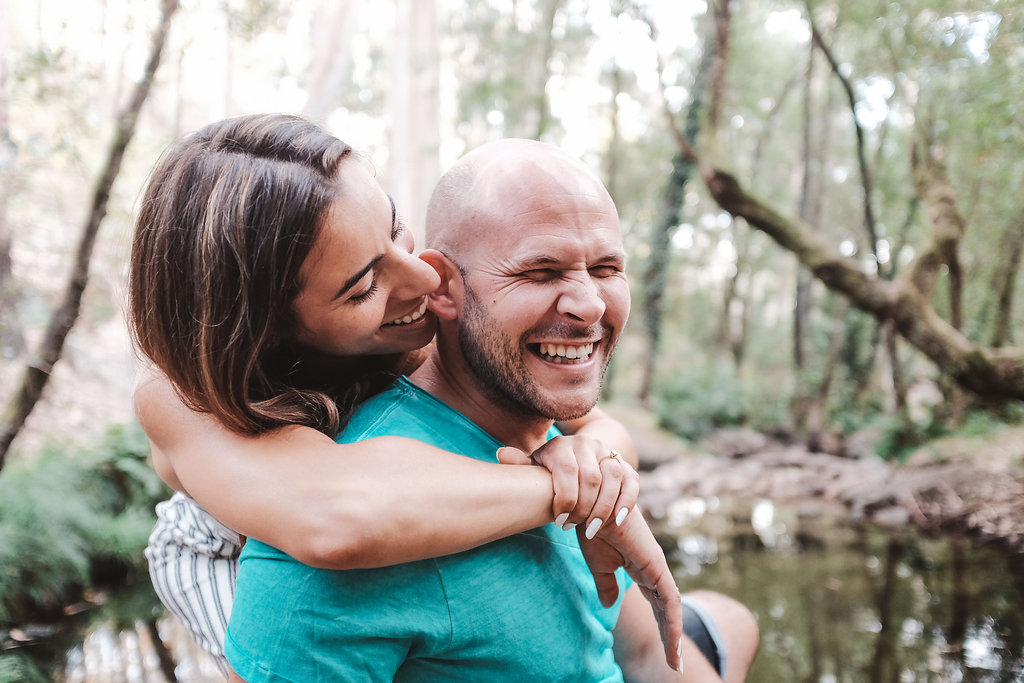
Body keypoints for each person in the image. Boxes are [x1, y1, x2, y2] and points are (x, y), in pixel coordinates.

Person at [128, 114, 682, 676]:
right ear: (269, 332)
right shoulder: (181, 400)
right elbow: (337, 518)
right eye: (365, 284)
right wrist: (561, 489)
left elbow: (595, 426)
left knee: (728, 621)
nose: (422, 276)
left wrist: (595, 462)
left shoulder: (406, 340)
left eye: (394, 229)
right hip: (214, 559)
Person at [224, 138, 760, 682]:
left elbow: (644, 652)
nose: (590, 305)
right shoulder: (345, 544)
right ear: (444, 287)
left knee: (734, 620)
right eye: (541, 272)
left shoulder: (563, 447)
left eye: (605, 268)